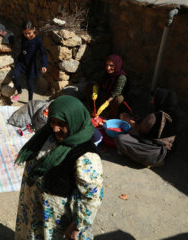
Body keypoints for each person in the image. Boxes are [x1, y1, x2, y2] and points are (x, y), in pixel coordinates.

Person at [15, 95, 103, 240]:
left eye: (62, 124)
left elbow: (91, 198)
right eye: (52, 122)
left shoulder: (86, 157)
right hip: (34, 213)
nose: (55, 128)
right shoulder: (49, 134)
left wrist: (76, 227)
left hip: (54, 225)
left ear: (74, 121)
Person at [115, 88, 178, 167]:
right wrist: (138, 120)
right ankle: (153, 160)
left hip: (153, 152)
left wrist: (130, 122)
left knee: (120, 139)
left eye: (153, 99)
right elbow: (153, 129)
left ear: (160, 100)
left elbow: (141, 131)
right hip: (166, 153)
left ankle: (147, 161)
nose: (151, 101)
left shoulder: (155, 116)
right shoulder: (175, 116)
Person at [11, 20, 47, 102]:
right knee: (14, 76)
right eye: (25, 33)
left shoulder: (38, 40)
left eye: (29, 33)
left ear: (34, 29)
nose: (27, 35)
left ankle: (30, 101)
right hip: (21, 62)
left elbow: (43, 53)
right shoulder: (22, 37)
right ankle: (19, 91)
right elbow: (14, 38)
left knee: (30, 84)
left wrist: (44, 65)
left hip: (31, 64)